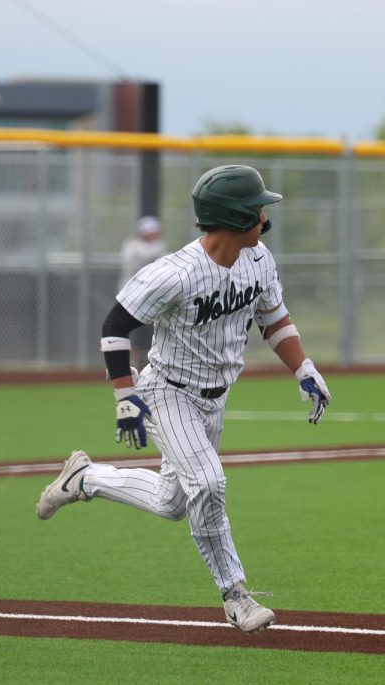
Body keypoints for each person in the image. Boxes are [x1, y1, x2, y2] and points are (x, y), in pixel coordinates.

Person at [36, 165, 331, 635]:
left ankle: (85, 477)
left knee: (175, 502)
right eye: (257, 209)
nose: (264, 216)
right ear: (234, 217)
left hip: (215, 401)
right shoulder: (175, 272)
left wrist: (304, 368)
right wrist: (125, 397)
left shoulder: (259, 261)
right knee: (209, 485)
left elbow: (274, 319)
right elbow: (115, 326)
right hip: (168, 391)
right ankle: (236, 596)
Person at [117, 216, 166, 368]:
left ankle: (150, 359)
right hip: (131, 295)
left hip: (151, 296)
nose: (155, 235)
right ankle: (130, 361)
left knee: (154, 327)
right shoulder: (131, 245)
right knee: (129, 329)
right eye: (151, 232)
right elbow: (146, 254)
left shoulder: (158, 245)